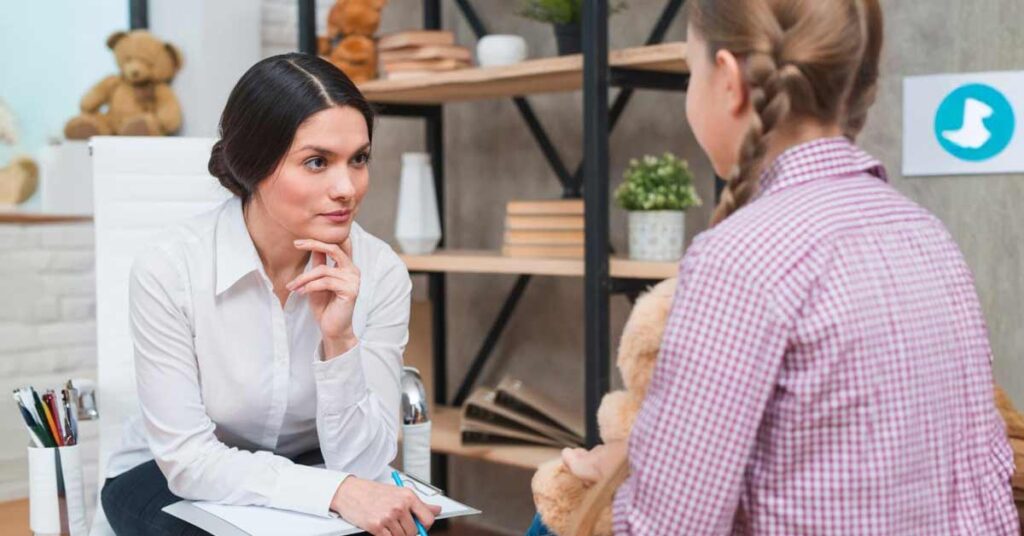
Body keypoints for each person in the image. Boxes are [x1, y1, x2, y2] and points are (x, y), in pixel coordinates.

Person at [549, 0, 1021, 534]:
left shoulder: (738, 258)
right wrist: (640, 465)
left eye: (690, 71)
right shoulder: (927, 235)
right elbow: (980, 489)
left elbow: (669, 528)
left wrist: (625, 486)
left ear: (728, 80)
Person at [100, 53, 441, 536]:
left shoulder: (380, 271)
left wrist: (339, 340)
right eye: (317, 162)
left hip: (314, 464)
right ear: (253, 163)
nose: (347, 188)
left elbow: (366, 465)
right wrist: (335, 493)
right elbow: (188, 461)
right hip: (167, 478)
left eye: (359, 159)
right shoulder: (170, 267)